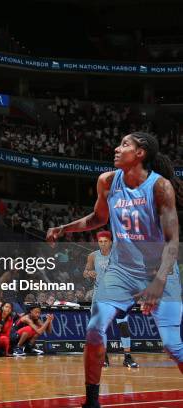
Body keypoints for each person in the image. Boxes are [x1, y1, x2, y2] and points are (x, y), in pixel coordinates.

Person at [47, 132, 183, 408]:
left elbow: (172, 240)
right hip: (121, 270)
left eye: (125, 145)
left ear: (141, 153)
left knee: (172, 345)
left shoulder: (160, 187)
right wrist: (64, 228)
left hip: (160, 270)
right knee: (95, 327)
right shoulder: (107, 181)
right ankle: (92, 402)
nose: (117, 149)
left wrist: (158, 282)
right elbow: (99, 218)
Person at [83, 231, 139, 368]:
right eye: (100, 241)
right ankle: (103, 357)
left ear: (110, 242)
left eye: (105, 241)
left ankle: (127, 357)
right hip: (100, 295)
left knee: (123, 326)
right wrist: (89, 273)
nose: (103, 244)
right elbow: (85, 272)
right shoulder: (92, 256)